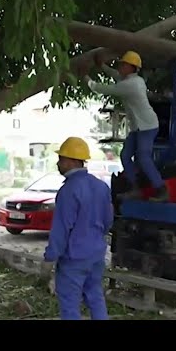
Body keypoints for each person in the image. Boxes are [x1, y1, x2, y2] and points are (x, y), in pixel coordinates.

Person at [82, 50, 167, 202]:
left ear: (131, 67)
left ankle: (161, 189)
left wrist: (86, 77)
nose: (120, 67)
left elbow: (102, 88)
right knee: (125, 155)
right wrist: (103, 66)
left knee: (143, 157)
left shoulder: (131, 85)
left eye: (123, 64)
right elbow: (117, 76)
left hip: (147, 126)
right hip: (139, 127)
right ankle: (135, 188)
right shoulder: (134, 80)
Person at [44, 136, 113, 320]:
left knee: (70, 306)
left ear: (72, 161)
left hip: (73, 259)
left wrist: (50, 257)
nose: (58, 164)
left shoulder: (68, 191)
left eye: (61, 159)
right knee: (96, 299)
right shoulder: (101, 186)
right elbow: (108, 221)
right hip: (96, 256)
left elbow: (61, 229)